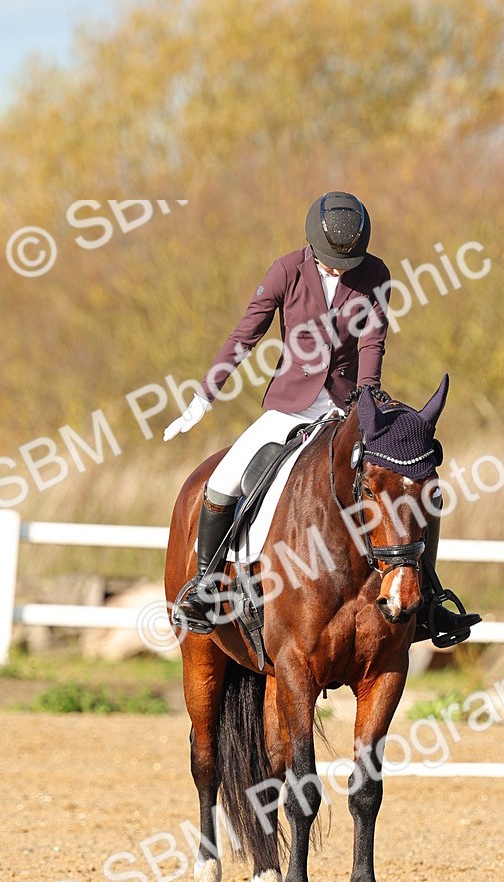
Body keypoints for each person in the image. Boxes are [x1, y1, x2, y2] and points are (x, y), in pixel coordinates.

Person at [165, 190, 477, 644]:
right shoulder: (286, 270)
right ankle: (206, 587)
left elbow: (373, 340)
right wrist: (203, 396)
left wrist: (367, 397)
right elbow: (245, 336)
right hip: (290, 403)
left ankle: (428, 598)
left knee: (414, 475)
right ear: (314, 243)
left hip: (350, 405)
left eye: (347, 264)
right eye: (333, 263)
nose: (340, 270)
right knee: (223, 481)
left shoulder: (376, 273)